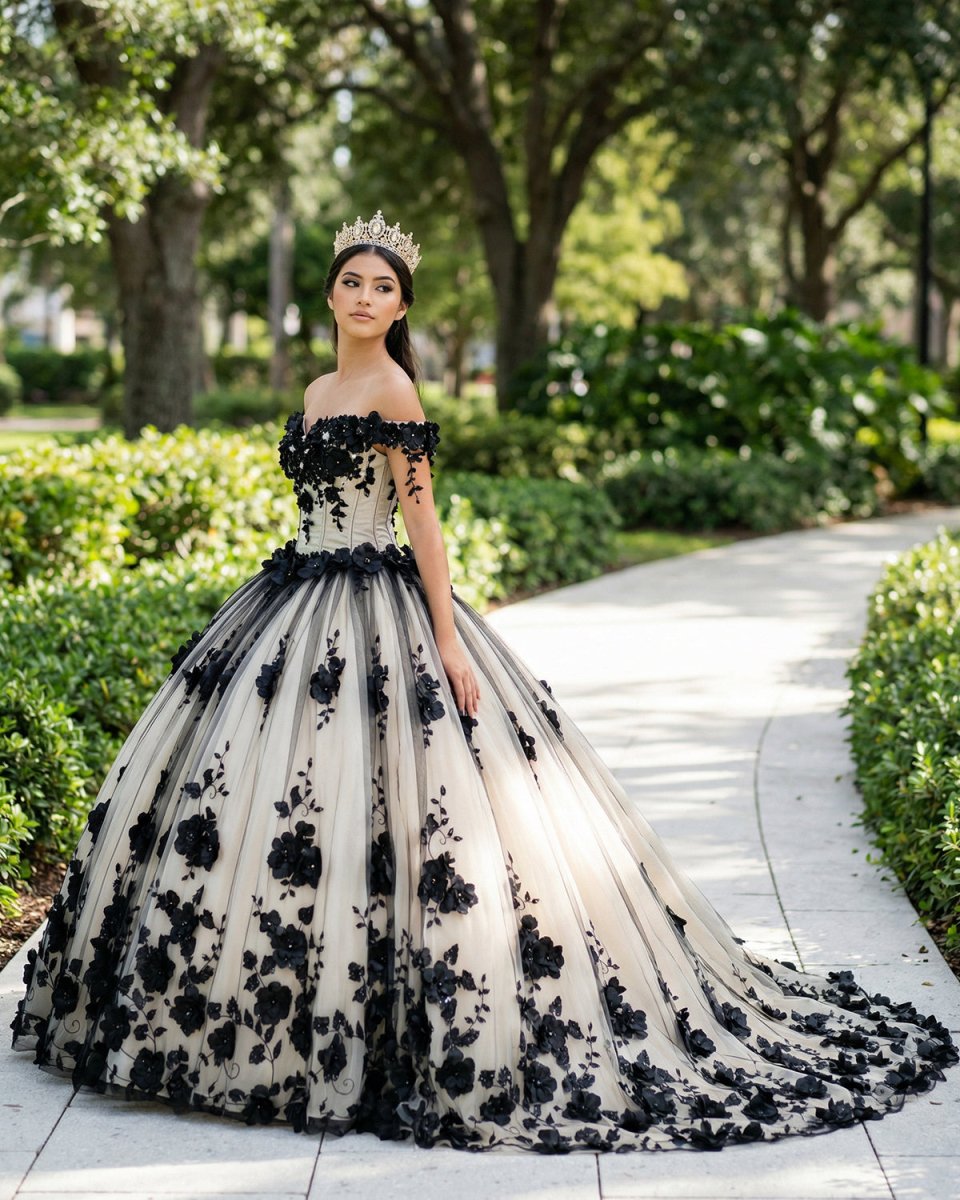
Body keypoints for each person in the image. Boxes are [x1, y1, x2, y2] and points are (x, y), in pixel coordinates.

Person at [11, 210, 957, 1153]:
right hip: (292, 600)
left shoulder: (396, 393)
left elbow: (423, 527)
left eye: (384, 288)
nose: (367, 299)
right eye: (353, 283)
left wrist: (450, 643)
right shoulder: (315, 385)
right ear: (331, 294)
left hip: (377, 605)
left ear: (402, 306)